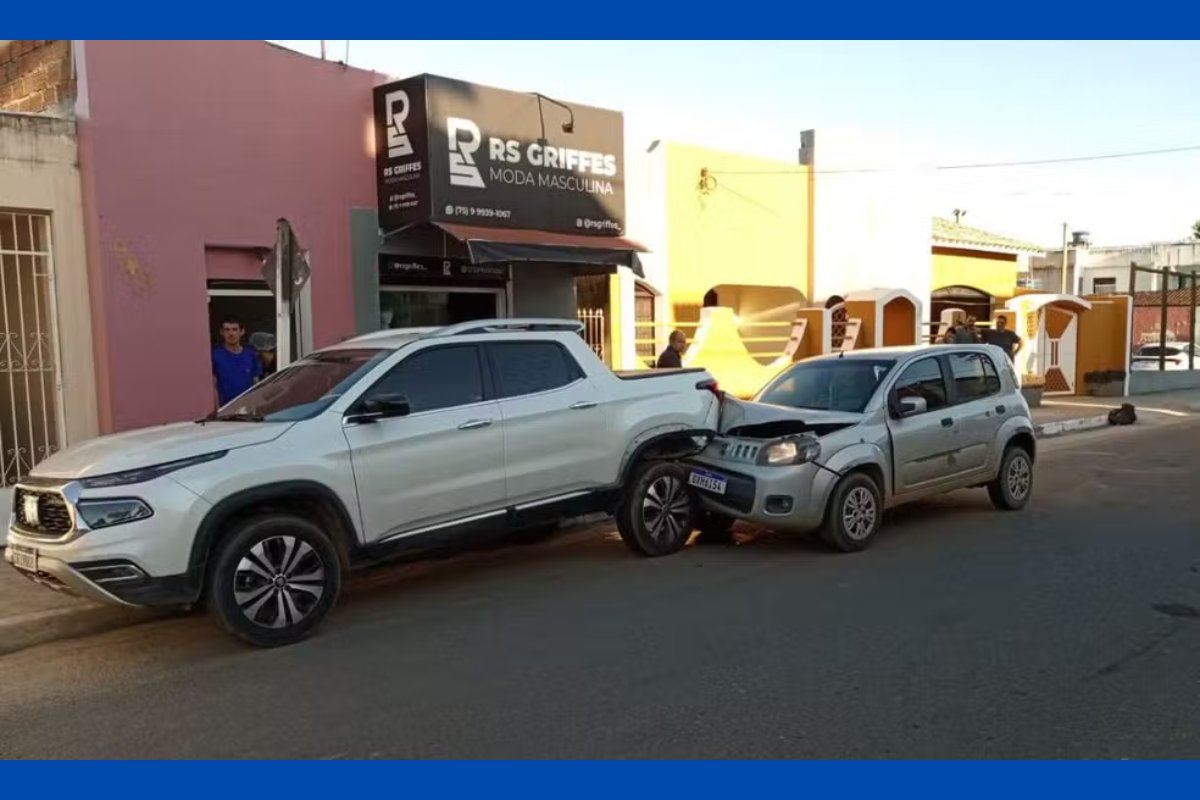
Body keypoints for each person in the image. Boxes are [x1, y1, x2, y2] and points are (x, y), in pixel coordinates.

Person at [212, 316, 262, 408]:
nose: (231, 334)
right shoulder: (215, 355)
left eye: (234, 329)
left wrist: (256, 408)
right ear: (221, 332)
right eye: (227, 330)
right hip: (225, 409)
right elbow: (213, 385)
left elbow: (256, 384)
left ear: (242, 332)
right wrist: (218, 410)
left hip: (247, 408)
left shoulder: (251, 355)